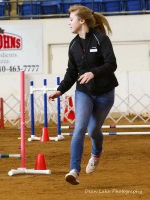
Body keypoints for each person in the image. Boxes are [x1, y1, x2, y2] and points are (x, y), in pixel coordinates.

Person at [48, 5, 118, 185]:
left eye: (71, 19)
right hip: (83, 92)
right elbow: (71, 72)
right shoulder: (73, 45)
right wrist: (60, 89)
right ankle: (74, 170)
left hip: (105, 92)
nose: (69, 23)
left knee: (93, 130)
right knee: (79, 129)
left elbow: (112, 64)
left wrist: (93, 72)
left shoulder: (101, 39)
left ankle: (96, 153)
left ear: (82, 21)